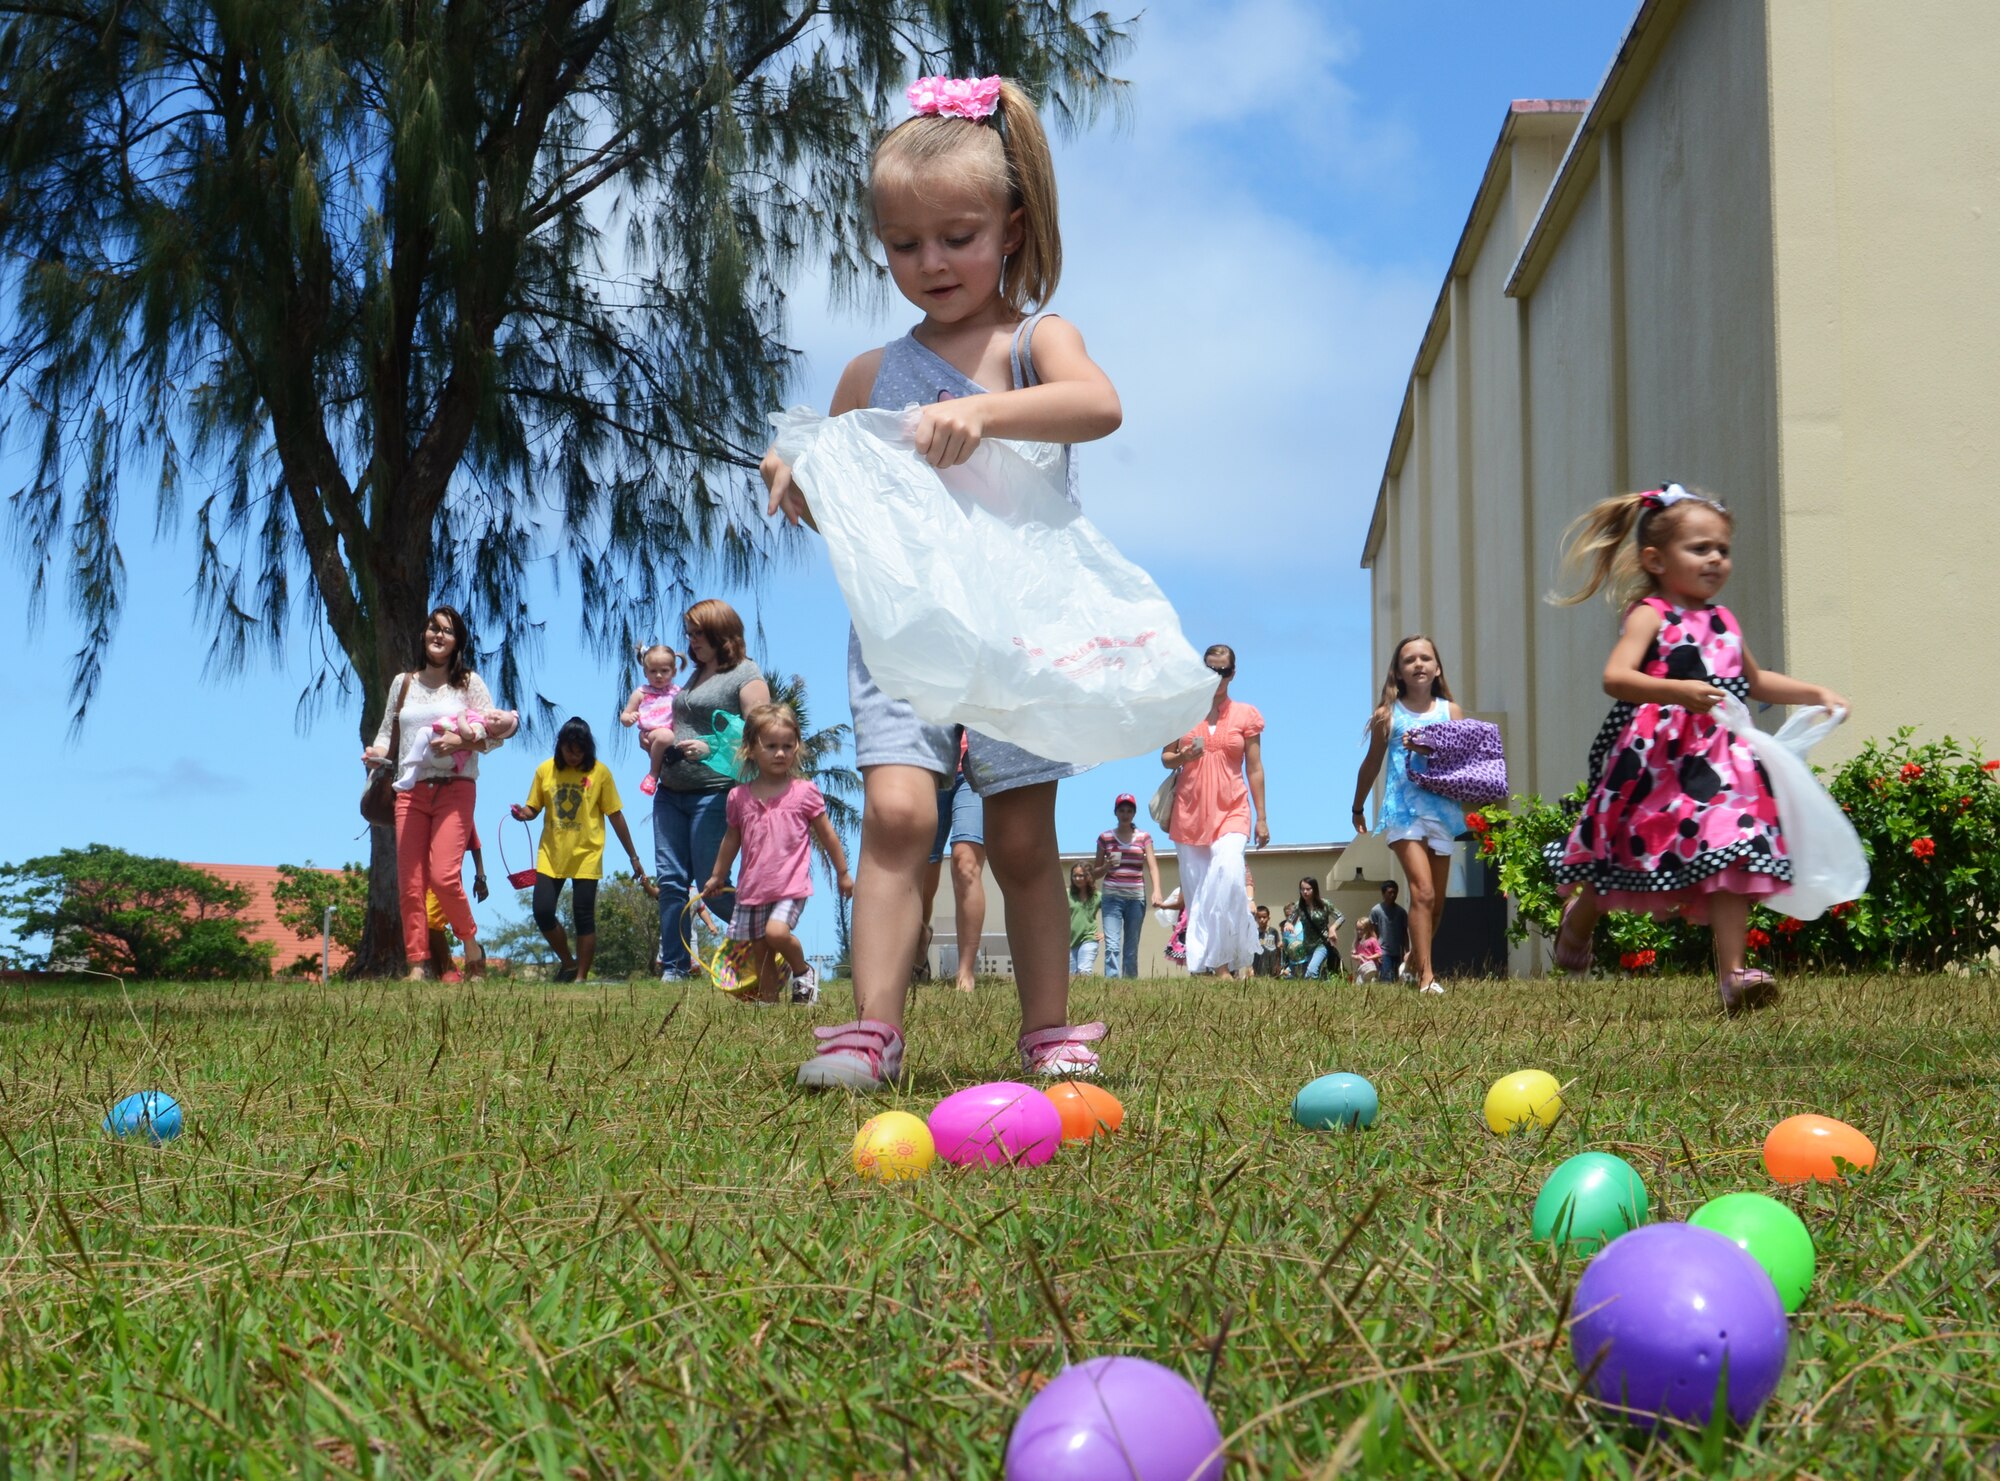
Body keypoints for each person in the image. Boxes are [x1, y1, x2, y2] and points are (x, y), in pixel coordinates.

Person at [760, 75, 1122, 1089]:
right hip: (903, 630)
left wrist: (989, 416)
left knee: (1017, 832)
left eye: (956, 236)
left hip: (1016, 628)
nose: (930, 263)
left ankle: (1046, 1029)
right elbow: (827, 471)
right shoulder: (874, 372)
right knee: (900, 819)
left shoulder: (1031, 343)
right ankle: (871, 1027)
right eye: (904, 244)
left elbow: (1096, 405)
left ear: (1010, 225)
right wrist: (793, 471)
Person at [1541, 484, 1847, 1011]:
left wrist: (1813, 693)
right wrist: (1678, 691)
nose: (1715, 559)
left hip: (1719, 762)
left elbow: (1753, 679)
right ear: (1655, 559)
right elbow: (1616, 677)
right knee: (1625, 854)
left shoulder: (1724, 620)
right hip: (1654, 762)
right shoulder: (1651, 614)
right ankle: (1580, 918)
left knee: (1732, 845)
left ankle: (1733, 975)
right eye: (1700, 548)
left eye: (1722, 550)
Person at [363, 605, 506, 981]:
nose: (438, 636)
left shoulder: (469, 684)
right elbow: (384, 734)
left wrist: (463, 740)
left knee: (443, 877)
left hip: (456, 789)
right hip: (409, 790)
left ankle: (471, 945)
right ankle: (416, 965)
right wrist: (375, 755)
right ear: (424, 635)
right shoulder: (404, 682)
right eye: (432, 628)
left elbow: (495, 735)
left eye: (447, 631)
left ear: (458, 641)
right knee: (409, 883)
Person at [704, 702, 855, 1005]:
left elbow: (827, 835)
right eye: (771, 746)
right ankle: (770, 1000)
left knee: (775, 933)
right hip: (753, 887)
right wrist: (718, 875)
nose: (780, 753)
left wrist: (842, 873)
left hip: (790, 885)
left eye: (788, 746)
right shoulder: (739, 797)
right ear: (750, 749)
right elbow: (732, 838)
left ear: (797, 747)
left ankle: (803, 972)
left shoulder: (803, 792)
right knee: (761, 947)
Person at [652, 599, 771, 980]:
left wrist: (712, 749)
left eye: (698, 633)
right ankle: (674, 968)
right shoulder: (697, 672)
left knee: (710, 885)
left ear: (721, 633)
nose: (691, 641)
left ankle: (772, 942)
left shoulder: (746, 673)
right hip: (670, 791)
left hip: (715, 794)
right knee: (670, 882)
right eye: (688, 633)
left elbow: (762, 736)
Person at [1350, 636, 1464, 995]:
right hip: (1404, 811)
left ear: (1437, 667)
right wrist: (1357, 806)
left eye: (1425, 658)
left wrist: (1430, 748)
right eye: (1409, 659)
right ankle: (1427, 978)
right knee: (1423, 891)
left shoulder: (1451, 712)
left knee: (1437, 905)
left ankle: (1415, 957)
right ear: (1398, 671)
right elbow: (1371, 764)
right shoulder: (1389, 715)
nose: (1418, 664)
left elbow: (1461, 763)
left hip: (1442, 810)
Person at [512, 718, 649, 983]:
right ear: (560, 747)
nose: (574, 756)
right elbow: (533, 808)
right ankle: (569, 962)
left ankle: (581, 977)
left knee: (583, 915)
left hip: (587, 853)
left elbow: (616, 816)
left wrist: (634, 857)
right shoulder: (545, 771)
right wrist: (521, 813)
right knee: (542, 911)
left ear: (587, 749)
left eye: (579, 750)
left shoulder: (600, 773)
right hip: (551, 854)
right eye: (569, 749)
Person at [1162, 644, 1267, 979]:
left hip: (1233, 810)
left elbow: (1254, 768)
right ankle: (1218, 966)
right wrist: (1183, 758)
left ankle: (1229, 959)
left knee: (1228, 875)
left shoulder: (1246, 714)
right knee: (1197, 893)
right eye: (1210, 670)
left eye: (1223, 671)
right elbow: (1165, 757)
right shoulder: (1182, 712)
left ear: (1232, 673)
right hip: (1189, 814)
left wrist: (1262, 817)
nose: (1216, 677)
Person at [915, 740, 987, 993]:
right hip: (931, 760)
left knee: (966, 863)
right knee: (924, 865)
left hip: (977, 764)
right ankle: (920, 936)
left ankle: (965, 971)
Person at [1092, 793, 1163, 979]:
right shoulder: (1105, 838)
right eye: (1122, 810)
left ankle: (1129, 983)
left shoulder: (1144, 837)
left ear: (1134, 813)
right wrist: (1107, 866)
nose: (1125, 814)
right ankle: (1113, 983)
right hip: (1112, 897)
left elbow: (1153, 866)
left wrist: (1157, 890)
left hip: (1135, 898)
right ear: (1116, 813)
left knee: (1131, 946)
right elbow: (1094, 873)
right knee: (1112, 945)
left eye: (1129, 811)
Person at [425, 825, 488, 980]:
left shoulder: (454, 805)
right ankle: (440, 971)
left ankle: (451, 968)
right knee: (422, 924)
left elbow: (473, 842)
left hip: (443, 878)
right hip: (417, 875)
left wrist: (480, 877)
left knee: (431, 919)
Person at [620, 643, 683, 797]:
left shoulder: (677, 692)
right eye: (653, 671)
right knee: (665, 736)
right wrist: (630, 718)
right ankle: (653, 774)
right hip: (652, 733)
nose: (658, 675)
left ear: (674, 671)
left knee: (670, 738)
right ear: (645, 672)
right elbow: (625, 715)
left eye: (664, 671)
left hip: (674, 732)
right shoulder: (641, 693)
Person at [1295, 876, 1344, 981]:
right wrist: (1288, 924)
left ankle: (1310, 994)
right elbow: (1290, 920)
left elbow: (1341, 917)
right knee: (1321, 974)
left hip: (1322, 943)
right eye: (1302, 889)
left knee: (1311, 972)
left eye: (1308, 889)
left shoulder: (1325, 904)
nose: (1305, 892)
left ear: (1314, 889)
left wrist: (1333, 929)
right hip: (1307, 946)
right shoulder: (1299, 906)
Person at [1369, 882, 1410, 985]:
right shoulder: (1376, 911)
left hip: (1398, 952)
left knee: (1398, 978)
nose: (1393, 895)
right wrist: (1376, 951)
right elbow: (1373, 931)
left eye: (1395, 893)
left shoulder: (1401, 912)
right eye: (1390, 892)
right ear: (1383, 894)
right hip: (1384, 951)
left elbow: (1405, 932)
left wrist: (1407, 951)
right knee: (1386, 979)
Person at [1067, 864, 1101, 976]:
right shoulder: (1066, 894)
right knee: (1072, 976)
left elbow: (1112, 915)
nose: (1077, 879)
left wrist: (1105, 933)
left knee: (1084, 971)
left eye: (1081, 875)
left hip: (1089, 938)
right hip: (1069, 942)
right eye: (1074, 876)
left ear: (1088, 876)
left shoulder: (1098, 896)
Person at [1351, 917, 1385, 983]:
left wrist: (1368, 957)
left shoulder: (1372, 940)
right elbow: (1353, 955)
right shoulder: (1358, 942)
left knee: (1372, 983)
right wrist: (1357, 957)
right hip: (1362, 968)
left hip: (1371, 968)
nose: (1359, 932)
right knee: (1359, 984)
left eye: (1361, 929)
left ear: (1368, 929)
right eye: (1357, 929)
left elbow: (1379, 953)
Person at [1279, 904, 1308, 978]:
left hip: (1306, 960)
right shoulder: (1286, 930)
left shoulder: (1304, 925)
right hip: (1293, 963)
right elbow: (1286, 949)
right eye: (1286, 915)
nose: (1289, 917)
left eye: (1291, 915)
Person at [1252, 905, 1280, 977]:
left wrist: (1278, 964)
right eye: (1259, 917)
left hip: (1271, 965)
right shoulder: (1254, 933)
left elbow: (1278, 949)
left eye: (1264, 917)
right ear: (1255, 919)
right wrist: (1250, 967)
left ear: (1268, 918)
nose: (1262, 920)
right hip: (1258, 966)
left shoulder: (1273, 932)